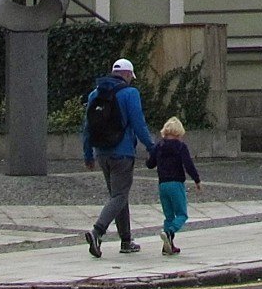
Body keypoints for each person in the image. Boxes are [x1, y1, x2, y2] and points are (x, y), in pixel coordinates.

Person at [82, 57, 155, 257]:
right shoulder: (130, 93)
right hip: (122, 153)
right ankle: (97, 232)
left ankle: (126, 241)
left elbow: (87, 127)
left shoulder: (95, 94)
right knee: (119, 196)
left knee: (118, 196)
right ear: (127, 74)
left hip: (101, 153)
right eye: (131, 76)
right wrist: (151, 146)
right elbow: (138, 123)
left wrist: (88, 154)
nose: (132, 79)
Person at [153, 116, 202, 255]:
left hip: (162, 185)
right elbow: (188, 165)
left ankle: (168, 246)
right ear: (179, 133)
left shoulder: (159, 146)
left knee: (168, 216)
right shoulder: (181, 147)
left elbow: (149, 163)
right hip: (176, 184)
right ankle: (169, 232)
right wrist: (197, 180)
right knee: (181, 214)